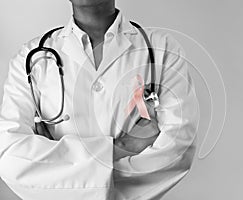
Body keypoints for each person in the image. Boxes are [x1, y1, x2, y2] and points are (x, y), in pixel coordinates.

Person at [0, 0, 198, 199]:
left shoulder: (162, 50)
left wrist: (55, 167)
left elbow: (177, 148)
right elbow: (9, 156)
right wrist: (122, 147)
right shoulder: (31, 56)